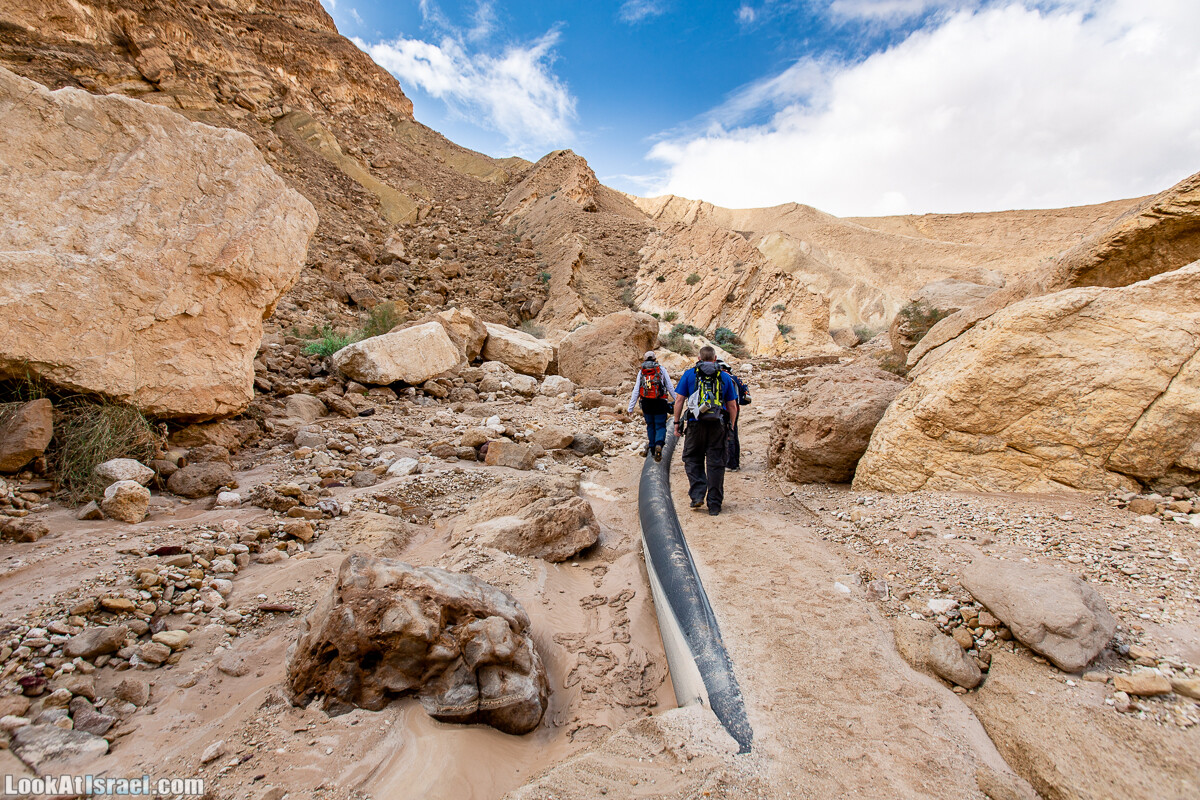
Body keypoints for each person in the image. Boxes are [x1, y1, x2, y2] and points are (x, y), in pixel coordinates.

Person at [673, 346, 739, 516]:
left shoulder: (689, 374)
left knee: (692, 458)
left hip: (695, 424)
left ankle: (697, 495)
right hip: (718, 425)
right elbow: (732, 405)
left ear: (698, 357)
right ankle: (715, 505)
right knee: (716, 463)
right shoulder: (724, 376)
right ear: (715, 358)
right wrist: (731, 426)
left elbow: (679, 400)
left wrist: (676, 423)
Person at [627, 351, 675, 462]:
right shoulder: (661, 370)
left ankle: (653, 449)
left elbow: (636, 390)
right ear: (655, 359)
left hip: (646, 403)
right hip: (660, 402)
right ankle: (659, 444)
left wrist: (631, 407)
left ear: (644, 360)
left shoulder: (642, 372)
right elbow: (670, 387)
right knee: (660, 425)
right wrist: (677, 401)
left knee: (650, 425)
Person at [718, 360, 750, 471]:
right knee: (733, 433)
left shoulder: (722, 377)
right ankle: (735, 462)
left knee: (727, 435)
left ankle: (730, 463)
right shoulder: (735, 378)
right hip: (735, 409)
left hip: (726, 410)